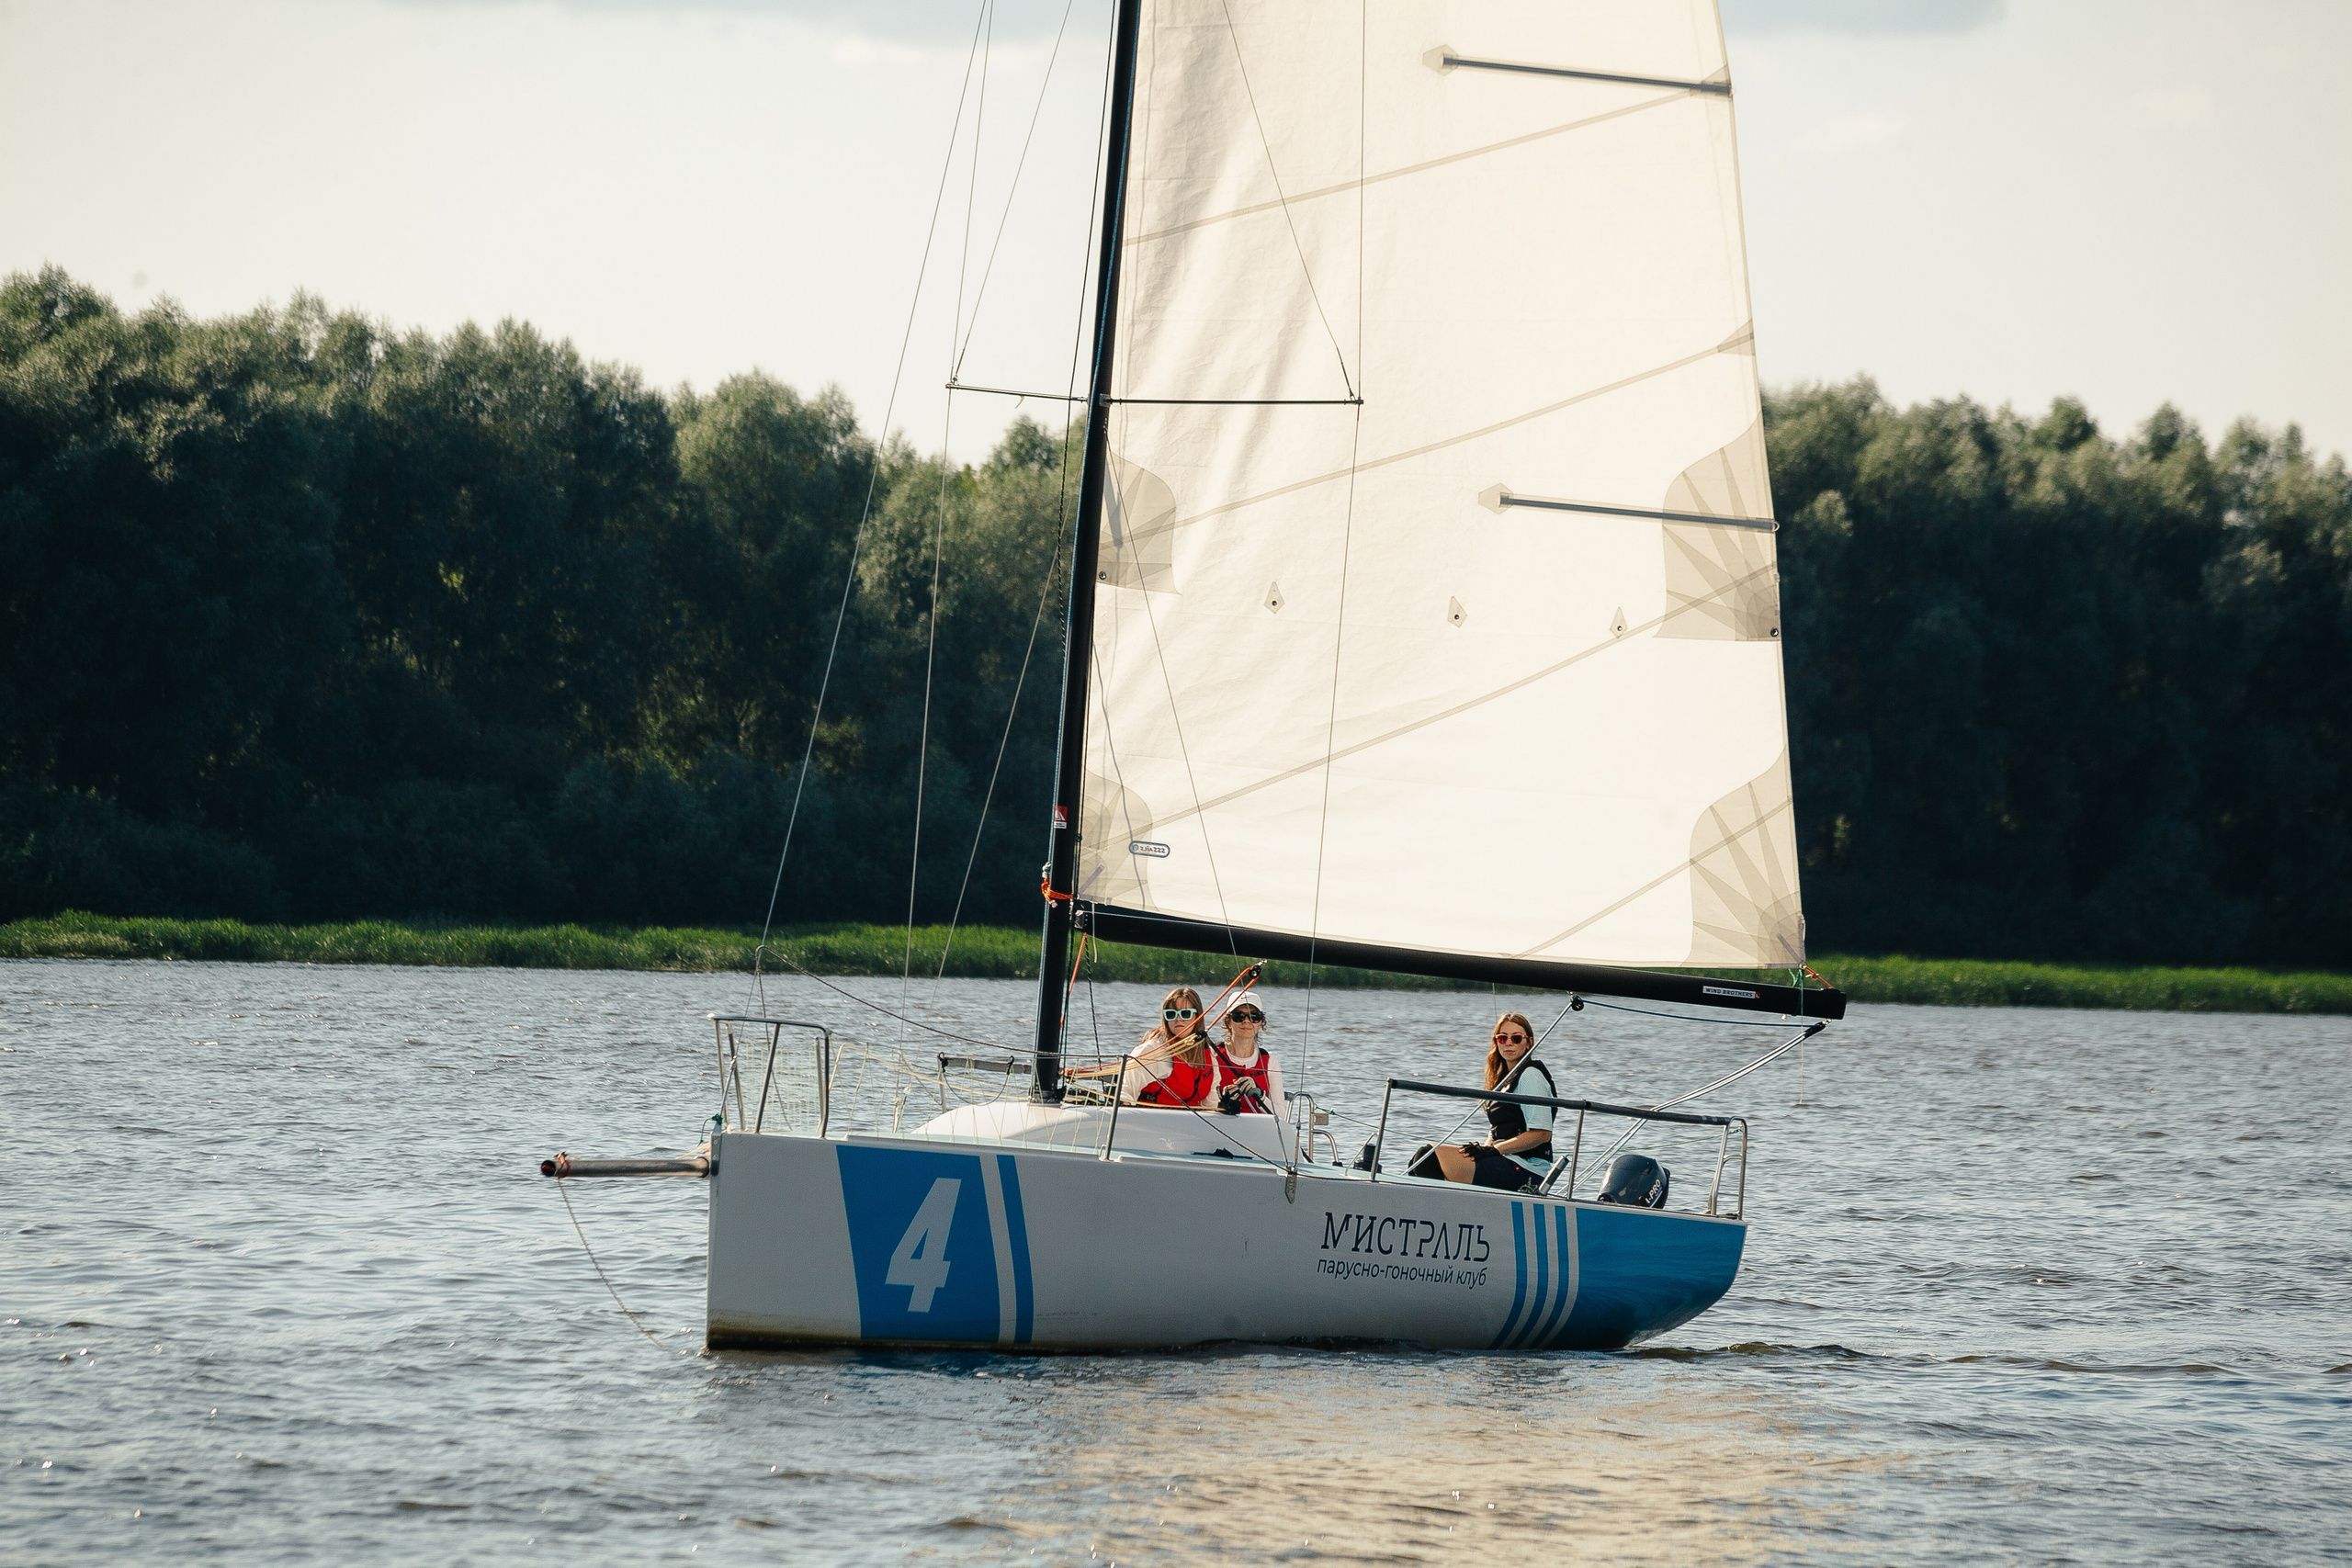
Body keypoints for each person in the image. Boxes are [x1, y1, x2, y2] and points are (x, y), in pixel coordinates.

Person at [1430, 1011, 1555, 1191]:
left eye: (1517, 1038)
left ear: (1529, 1042)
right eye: (1503, 1038)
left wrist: (1493, 1151)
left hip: (1526, 1170)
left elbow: (1542, 1134)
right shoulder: (1504, 1081)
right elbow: (1498, 1130)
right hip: (1503, 1160)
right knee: (1426, 1155)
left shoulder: (1531, 1076)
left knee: (1430, 1155)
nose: (1509, 1043)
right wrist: (1483, 1150)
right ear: (1497, 1042)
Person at [1121, 987, 1216, 1108]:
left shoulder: (1209, 1055)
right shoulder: (1151, 1051)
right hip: (1152, 1119)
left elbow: (1211, 1103)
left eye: (1185, 1014)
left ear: (1197, 1017)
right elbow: (1125, 1093)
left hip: (1191, 1122)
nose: (1178, 1019)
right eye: (1171, 1014)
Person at [1208, 996, 1287, 1123]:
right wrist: (1223, 1102)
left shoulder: (1270, 1061)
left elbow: (1280, 1115)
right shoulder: (1212, 1055)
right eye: (1238, 1016)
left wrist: (1260, 1095)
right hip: (1220, 1128)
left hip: (1257, 1133)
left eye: (1254, 1017)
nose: (1246, 1021)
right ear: (1228, 1021)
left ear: (1261, 1023)